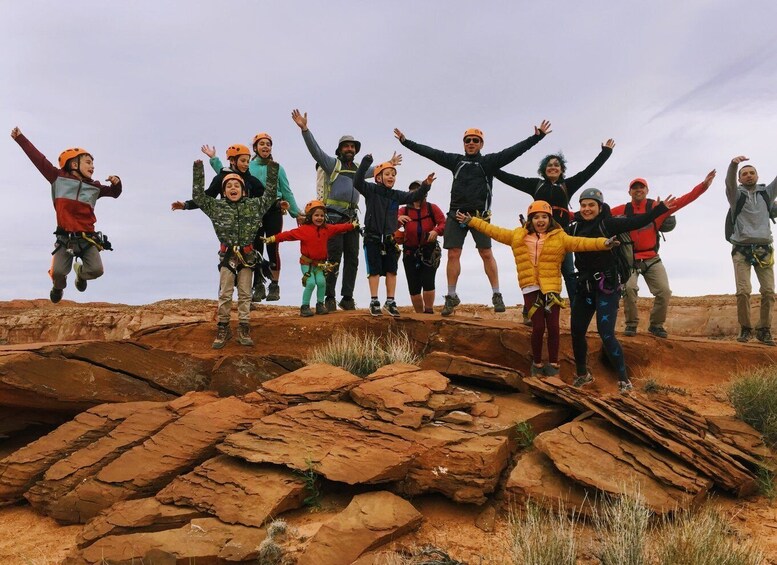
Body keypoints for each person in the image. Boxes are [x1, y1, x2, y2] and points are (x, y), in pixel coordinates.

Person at [394, 121, 551, 316]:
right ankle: (451, 296)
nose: (471, 143)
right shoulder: (456, 161)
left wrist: (536, 138)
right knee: (453, 254)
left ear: (481, 144)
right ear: (463, 143)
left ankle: (496, 294)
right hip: (456, 214)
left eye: (475, 140)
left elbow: (514, 151)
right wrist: (406, 142)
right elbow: (431, 152)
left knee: (485, 252)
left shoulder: (489, 162)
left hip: (479, 216)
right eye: (467, 140)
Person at [456, 201, 615, 377]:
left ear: (550, 219)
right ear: (530, 220)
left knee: (553, 327)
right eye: (536, 217)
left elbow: (581, 243)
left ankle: (553, 365)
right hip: (530, 287)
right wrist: (472, 221)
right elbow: (494, 231)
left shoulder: (560, 237)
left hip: (551, 288)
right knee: (538, 327)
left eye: (544, 217)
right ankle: (537, 364)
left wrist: (604, 243)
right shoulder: (517, 235)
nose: (540, 220)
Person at [568, 188, 677, 393]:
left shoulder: (608, 224)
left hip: (606, 288)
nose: (587, 208)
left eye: (591, 205)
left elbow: (636, 221)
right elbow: (555, 237)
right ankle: (582, 374)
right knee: (576, 332)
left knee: (605, 333)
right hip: (585, 288)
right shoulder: (573, 229)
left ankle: (623, 380)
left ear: (600, 207)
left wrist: (660, 209)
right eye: (583, 205)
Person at [291, 109, 401, 312]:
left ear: (356, 150)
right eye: (346, 146)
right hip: (332, 218)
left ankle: (347, 298)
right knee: (333, 259)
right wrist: (305, 129)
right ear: (340, 149)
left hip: (352, 219)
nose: (349, 148)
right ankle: (330, 298)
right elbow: (315, 151)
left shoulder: (359, 170)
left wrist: (390, 163)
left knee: (353, 259)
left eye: (352, 146)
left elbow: (376, 170)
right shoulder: (332, 164)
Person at [494, 139, 616, 312]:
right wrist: (489, 167)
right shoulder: (535, 185)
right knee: (535, 274)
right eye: (549, 165)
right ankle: (530, 312)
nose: (553, 167)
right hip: (536, 238)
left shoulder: (568, 185)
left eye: (556, 165)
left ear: (562, 169)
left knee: (568, 273)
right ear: (544, 169)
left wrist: (605, 152)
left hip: (560, 237)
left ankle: (577, 310)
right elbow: (509, 178)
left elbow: (589, 171)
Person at [11, 127, 122, 303]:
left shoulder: (95, 187)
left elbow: (115, 193)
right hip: (65, 239)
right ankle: (57, 287)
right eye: (88, 162)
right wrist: (20, 138)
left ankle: (81, 274)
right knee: (58, 273)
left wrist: (117, 183)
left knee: (97, 271)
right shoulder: (57, 178)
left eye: (93, 163)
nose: (92, 167)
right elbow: (39, 159)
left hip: (87, 239)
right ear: (73, 164)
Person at [611, 171, 716, 338]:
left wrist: (703, 186)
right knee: (629, 289)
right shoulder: (620, 210)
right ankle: (631, 324)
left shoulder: (657, 208)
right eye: (634, 188)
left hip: (651, 257)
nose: (638, 190)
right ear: (629, 192)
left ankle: (656, 325)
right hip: (629, 260)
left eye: (641, 187)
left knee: (664, 291)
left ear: (647, 190)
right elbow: (598, 216)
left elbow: (684, 200)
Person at [205, 133, 301, 302]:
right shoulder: (249, 166)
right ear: (255, 147)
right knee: (255, 247)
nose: (266, 147)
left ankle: (274, 285)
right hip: (253, 211)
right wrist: (214, 159)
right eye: (262, 144)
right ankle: (258, 285)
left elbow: (287, 191)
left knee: (273, 246)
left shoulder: (277, 167)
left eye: (268, 144)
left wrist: (297, 213)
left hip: (274, 210)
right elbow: (229, 173)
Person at [190, 160, 276, 349]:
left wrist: (272, 170)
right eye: (228, 186)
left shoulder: (254, 206)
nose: (233, 188)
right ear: (223, 191)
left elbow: (270, 196)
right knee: (225, 294)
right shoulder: (216, 207)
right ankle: (223, 328)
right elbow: (198, 196)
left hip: (247, 257)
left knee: (245, 294)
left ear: (244, 190)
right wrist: (198, 170)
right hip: (227, 257)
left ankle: (244, 328)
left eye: (237, 185)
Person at [354, 155, 433, 316]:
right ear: (378, 178)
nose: (391, 177)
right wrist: (366, 163)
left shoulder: (396, 195)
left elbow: (414, 196)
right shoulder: (371, 190)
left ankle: (390, 301)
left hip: (390, 238)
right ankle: (374, 301)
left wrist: (425, 186)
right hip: (372, 237)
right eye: (387, 174)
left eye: (394, 174)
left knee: (392, 270)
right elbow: (357, 182)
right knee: (374, 270)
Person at [264, 200, 357, 317]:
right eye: (316, 215)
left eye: (322, 215)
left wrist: (352, 225)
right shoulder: (304, 230)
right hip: (306, 264)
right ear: (310, 216)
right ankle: (305, 306)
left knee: (322, 282)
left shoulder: (327, 229)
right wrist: (271, 239)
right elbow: (287, 235)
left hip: (320, 265)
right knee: (311, 283)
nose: (319, 218)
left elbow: (339, 227)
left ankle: (320, 305)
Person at [726, 156, 777, 346]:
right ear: (739, 179)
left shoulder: (767, 194)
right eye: (744, 174)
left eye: (751, 173)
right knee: (743, 291)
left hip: (764, 249)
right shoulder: (735, 196)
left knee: (769, 291)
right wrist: (733, 165)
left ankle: (764, 330)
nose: (748, 176)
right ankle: (745, 328)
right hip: (741, 249)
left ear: (757, 175)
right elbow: (729, 183)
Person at [397, 180, 446, 313]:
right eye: (412, 191)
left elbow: (443, 223)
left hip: (429, 250)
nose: (415, 193)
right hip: (409, 251)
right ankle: (419, 316)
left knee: (428, 281)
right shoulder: (403, 210)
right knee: (413, 286)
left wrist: (436, 231)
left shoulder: (432, 208)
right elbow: (391, 221)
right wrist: (398, 220)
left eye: (418, 190)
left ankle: (429, 311)